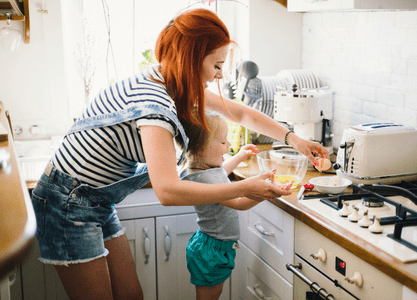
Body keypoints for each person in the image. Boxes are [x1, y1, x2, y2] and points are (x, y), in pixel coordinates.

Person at [31, 8, 329, 300]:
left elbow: (239, 112)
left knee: (131, 295)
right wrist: (248, 187)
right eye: (216, 65)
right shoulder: (155, 106)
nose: (219, 74)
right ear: (192, 59)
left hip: (96, 199)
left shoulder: (170, 81)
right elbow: (168, 191)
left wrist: (295, 139)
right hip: (67, 203)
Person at [179, 110, 293, 300]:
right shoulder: (204, 179)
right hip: (212, 250)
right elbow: (239, 203)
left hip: (212, 246)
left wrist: (240, 156)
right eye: (223, 142)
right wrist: (265, 192)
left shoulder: (203, 170)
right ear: (200, 148)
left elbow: (221, 173)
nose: (228, 145)